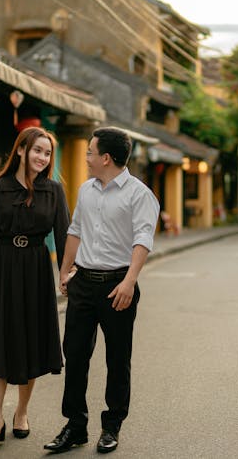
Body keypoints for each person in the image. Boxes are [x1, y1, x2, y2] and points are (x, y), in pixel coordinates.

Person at [44, 127, 159, 454]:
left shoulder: (140, 195)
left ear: (106, 158)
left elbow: (143, 239)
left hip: (117, 286)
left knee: (117, 359)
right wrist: (65, 270)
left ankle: (112, 427)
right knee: (76, 355)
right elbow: (75, 231)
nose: (87, 157)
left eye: (90, 152)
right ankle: (75, 426)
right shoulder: (87, 190)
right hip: (83, 284)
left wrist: (129, 281)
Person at [0, 127, 69, 442]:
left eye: (47, 152)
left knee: (31, 343)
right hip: (2, 268)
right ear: (22, 150)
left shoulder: (54, 191)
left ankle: (22, 412)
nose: (43, 157)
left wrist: (67, 273)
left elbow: (65, 236)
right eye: (37, 150)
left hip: (37, 271)